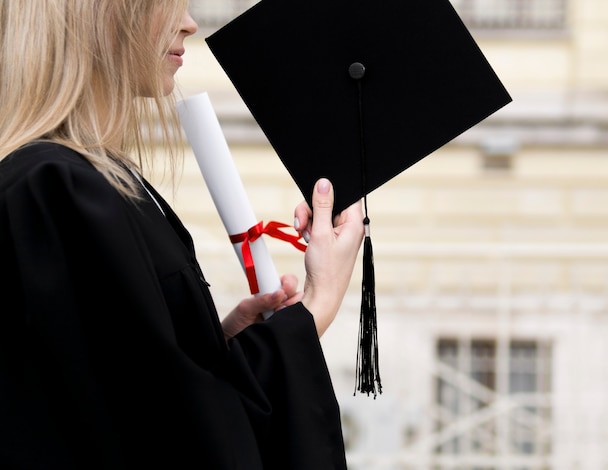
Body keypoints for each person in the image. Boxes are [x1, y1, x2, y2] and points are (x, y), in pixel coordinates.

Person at [0, 1, 364, 469]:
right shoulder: (55, 191)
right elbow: (173, 437)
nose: (189, 24)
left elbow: (134, 384)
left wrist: (214, 346)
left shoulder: (83, 180)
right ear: (98, 15)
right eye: (163, 4)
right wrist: (315, 306)